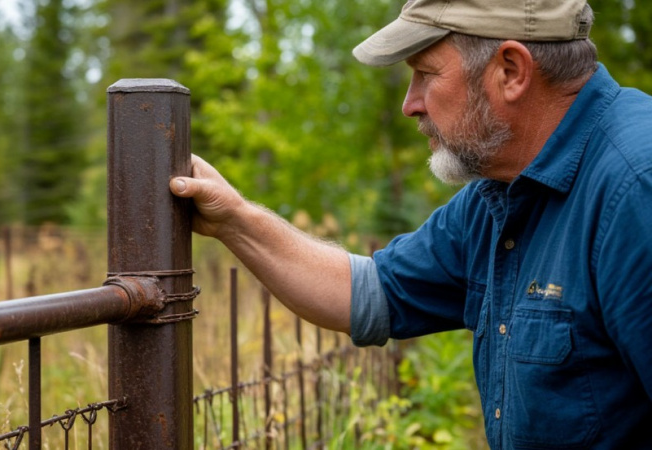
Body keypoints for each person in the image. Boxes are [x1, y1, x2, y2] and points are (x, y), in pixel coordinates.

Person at [170, 0, 652, 447]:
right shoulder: (502, 191)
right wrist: (234, 218)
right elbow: (368, 292)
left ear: (510, 71)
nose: (410, 103)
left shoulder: (635, 189)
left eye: (425, 74)